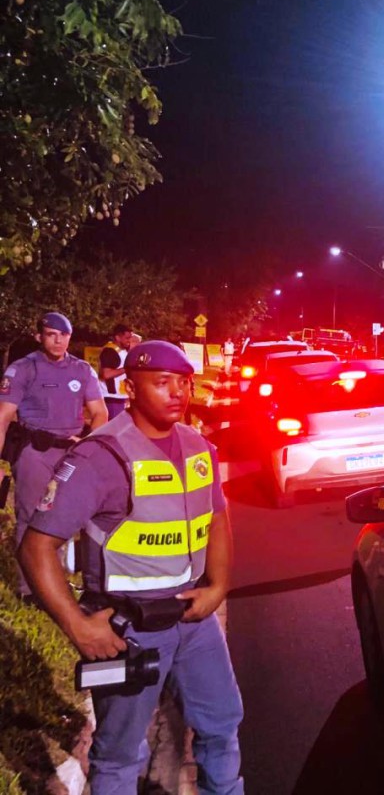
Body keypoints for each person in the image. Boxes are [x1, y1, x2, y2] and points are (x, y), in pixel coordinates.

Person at [18, 340, 244, 794]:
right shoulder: (99, 457)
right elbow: (36, 547)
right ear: (132, 387)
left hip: (194, 623)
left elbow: (217, 517)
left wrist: (218, 587)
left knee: (222, 727)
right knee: (120, 755)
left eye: (183, 382)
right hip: (130, 629)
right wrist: (79, 628)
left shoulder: (199, 446)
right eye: (162, 383)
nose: (177, 392)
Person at [0, 312, 108, 600]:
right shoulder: (23, 369)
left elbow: (100, 413)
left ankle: (59, 581)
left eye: (64, 335)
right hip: (35, 452)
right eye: (51, 334)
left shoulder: (83, 370)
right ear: (39, 337)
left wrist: (87, 444)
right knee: (31, 517)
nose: (58, 340)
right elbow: (3, 417)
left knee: (71, 517)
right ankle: (30, 590)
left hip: (72, 454)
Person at [99, 323, 134, 420]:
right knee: (114, 429)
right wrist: (126, 368)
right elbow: (106, 374)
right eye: (127, 338)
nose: (129, 341)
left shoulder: (121, 350)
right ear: (118, 337)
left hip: (119, 397)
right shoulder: (110, 351)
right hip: (112, 397)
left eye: (130, 338)